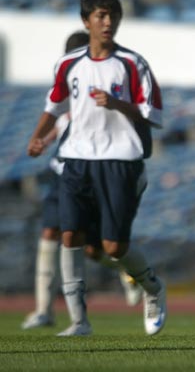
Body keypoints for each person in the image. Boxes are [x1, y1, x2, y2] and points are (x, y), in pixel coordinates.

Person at [26, 0, 166, 337]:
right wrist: (38, 137)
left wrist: (117, 103)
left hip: (120, 159)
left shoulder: (133, 64)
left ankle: (152, 287)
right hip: (76, 158)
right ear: (86, 21)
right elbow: (53, 105)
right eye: (101, 16)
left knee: (113, 247)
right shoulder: (68, 64)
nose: (108, 22)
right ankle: (79, 321)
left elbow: (152, 113)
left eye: (113, 15)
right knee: (70, 235)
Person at [22, 31, 143, 331]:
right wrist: (44, 140)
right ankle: (44, 310)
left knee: (93, 248)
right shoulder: (67, 80)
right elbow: (62, 118)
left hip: (90, 169)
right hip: (62, 170)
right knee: (50, 232)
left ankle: (129, 271)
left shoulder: (99, 83)